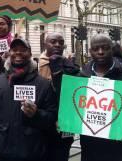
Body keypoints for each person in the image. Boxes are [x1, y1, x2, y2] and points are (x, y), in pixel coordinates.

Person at [79, 35, 122, 161]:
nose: (100, 52)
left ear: (113, 49)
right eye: (96, 49)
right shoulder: (82, 77)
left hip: (121, 151)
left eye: (105, 48)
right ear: (90, 52)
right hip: (91, 150)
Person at [0, 38, 57, 161]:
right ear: (9, 53)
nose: (18, 53)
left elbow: (52, 118)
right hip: (2, 150)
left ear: (30, 54)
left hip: (32, 152)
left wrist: (36, 114)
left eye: (23, 50)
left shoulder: (43, 84)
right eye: (14, 50)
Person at [38, 33, 80, 161]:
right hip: (42, 122)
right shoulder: (35, 66)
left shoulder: (72, 67)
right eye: (53, 41)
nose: (57, 45)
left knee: (61, 154)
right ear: (45, 44)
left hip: (64, 124)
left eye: (61, 42)